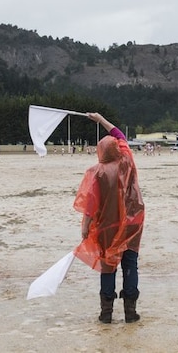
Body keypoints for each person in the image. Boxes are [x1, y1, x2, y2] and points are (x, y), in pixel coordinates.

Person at [73, 113, 145, 324]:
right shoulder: (127, 160)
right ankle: (130, 312)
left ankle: (106, 313)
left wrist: (85, 225)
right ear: (118, 149)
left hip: (108, 226)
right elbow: (119, 134)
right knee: (130, 264)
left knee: (108, 266)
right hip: (133, 223)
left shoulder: (97, 173)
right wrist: (101, 120)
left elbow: (90, 203)